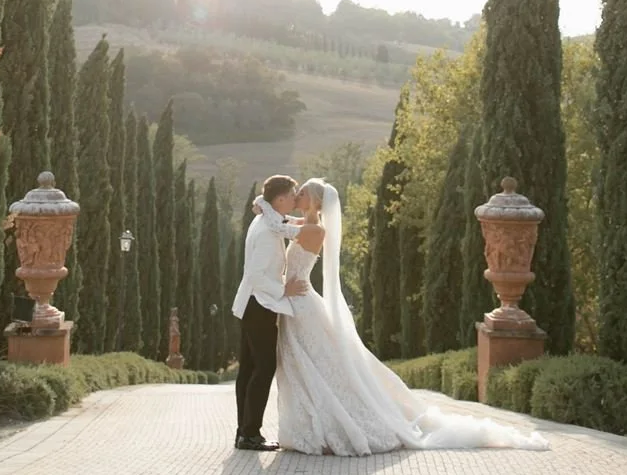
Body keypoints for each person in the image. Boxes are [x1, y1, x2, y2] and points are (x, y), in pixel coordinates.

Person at [267, 176, 549, 455]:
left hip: (301, 302)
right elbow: (285, 224)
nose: (297, 196)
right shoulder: (308, 224)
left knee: (314, 365)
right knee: (304, 366)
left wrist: (263, 205)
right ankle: (305, 425)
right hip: (296, 301)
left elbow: (278, 227)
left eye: (301, 193)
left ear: (314, 201)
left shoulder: (313, 230)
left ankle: (331, 426)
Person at [231, 173, 308, 451]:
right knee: (264, 367)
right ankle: (250, 433)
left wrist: (302, 222)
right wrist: (283, 290)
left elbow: (283, 225)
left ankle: (244, 432)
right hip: (260, 304)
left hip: (253, 303)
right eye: (293, 194)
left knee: (250, 369)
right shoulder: (265, 230)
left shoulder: (266, 219)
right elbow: (255, 274)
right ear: (280, 198)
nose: (295, 198)